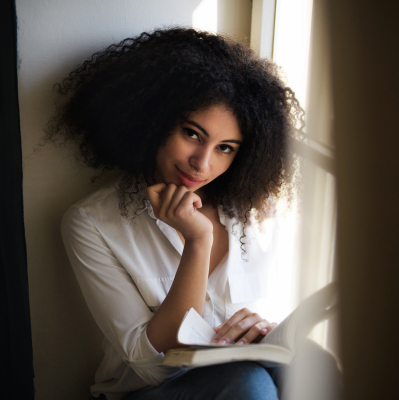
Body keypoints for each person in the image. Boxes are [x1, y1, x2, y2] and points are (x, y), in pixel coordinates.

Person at [46, 28, 305, 400]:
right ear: (155, 118)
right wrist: (199, 242)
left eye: (226, 148)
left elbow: (267, 324)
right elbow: (150, 365)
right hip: (148, 391)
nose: (202, 163)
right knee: (249, 384)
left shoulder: (257, 214)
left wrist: (265, 330)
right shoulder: (91, 223)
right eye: (192, 133)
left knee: (310, 366)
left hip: (243, 377)